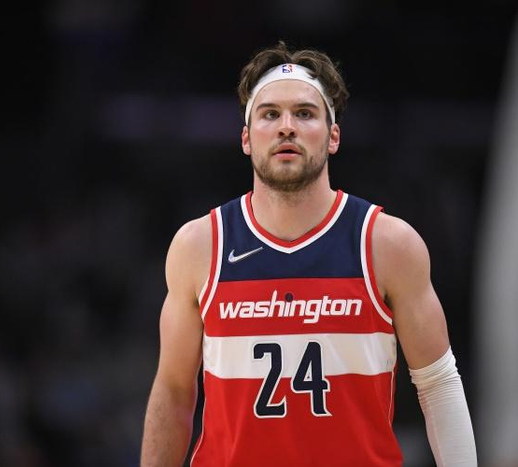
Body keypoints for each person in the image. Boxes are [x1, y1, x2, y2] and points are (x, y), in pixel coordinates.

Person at [141, 42, 477, 466]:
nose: (287, 127)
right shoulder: (200, 246)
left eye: (304, 113)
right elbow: (173, 392)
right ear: (246, 138)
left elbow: (438, 384)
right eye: (270, 114)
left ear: (333, 136)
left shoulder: (387, 244)